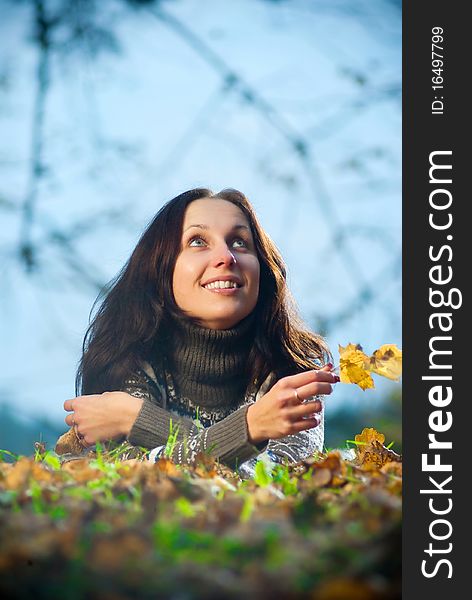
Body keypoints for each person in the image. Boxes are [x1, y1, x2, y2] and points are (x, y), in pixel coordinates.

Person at [63, 188, 338, 475]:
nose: (226, 257)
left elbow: (281, 479)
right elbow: (136, 477)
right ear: (161, 269)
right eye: (197, 241)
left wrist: (138, 419)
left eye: (240, 242)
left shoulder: (293, 369)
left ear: (262, 270)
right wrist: (251, 428)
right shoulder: (125, 361)